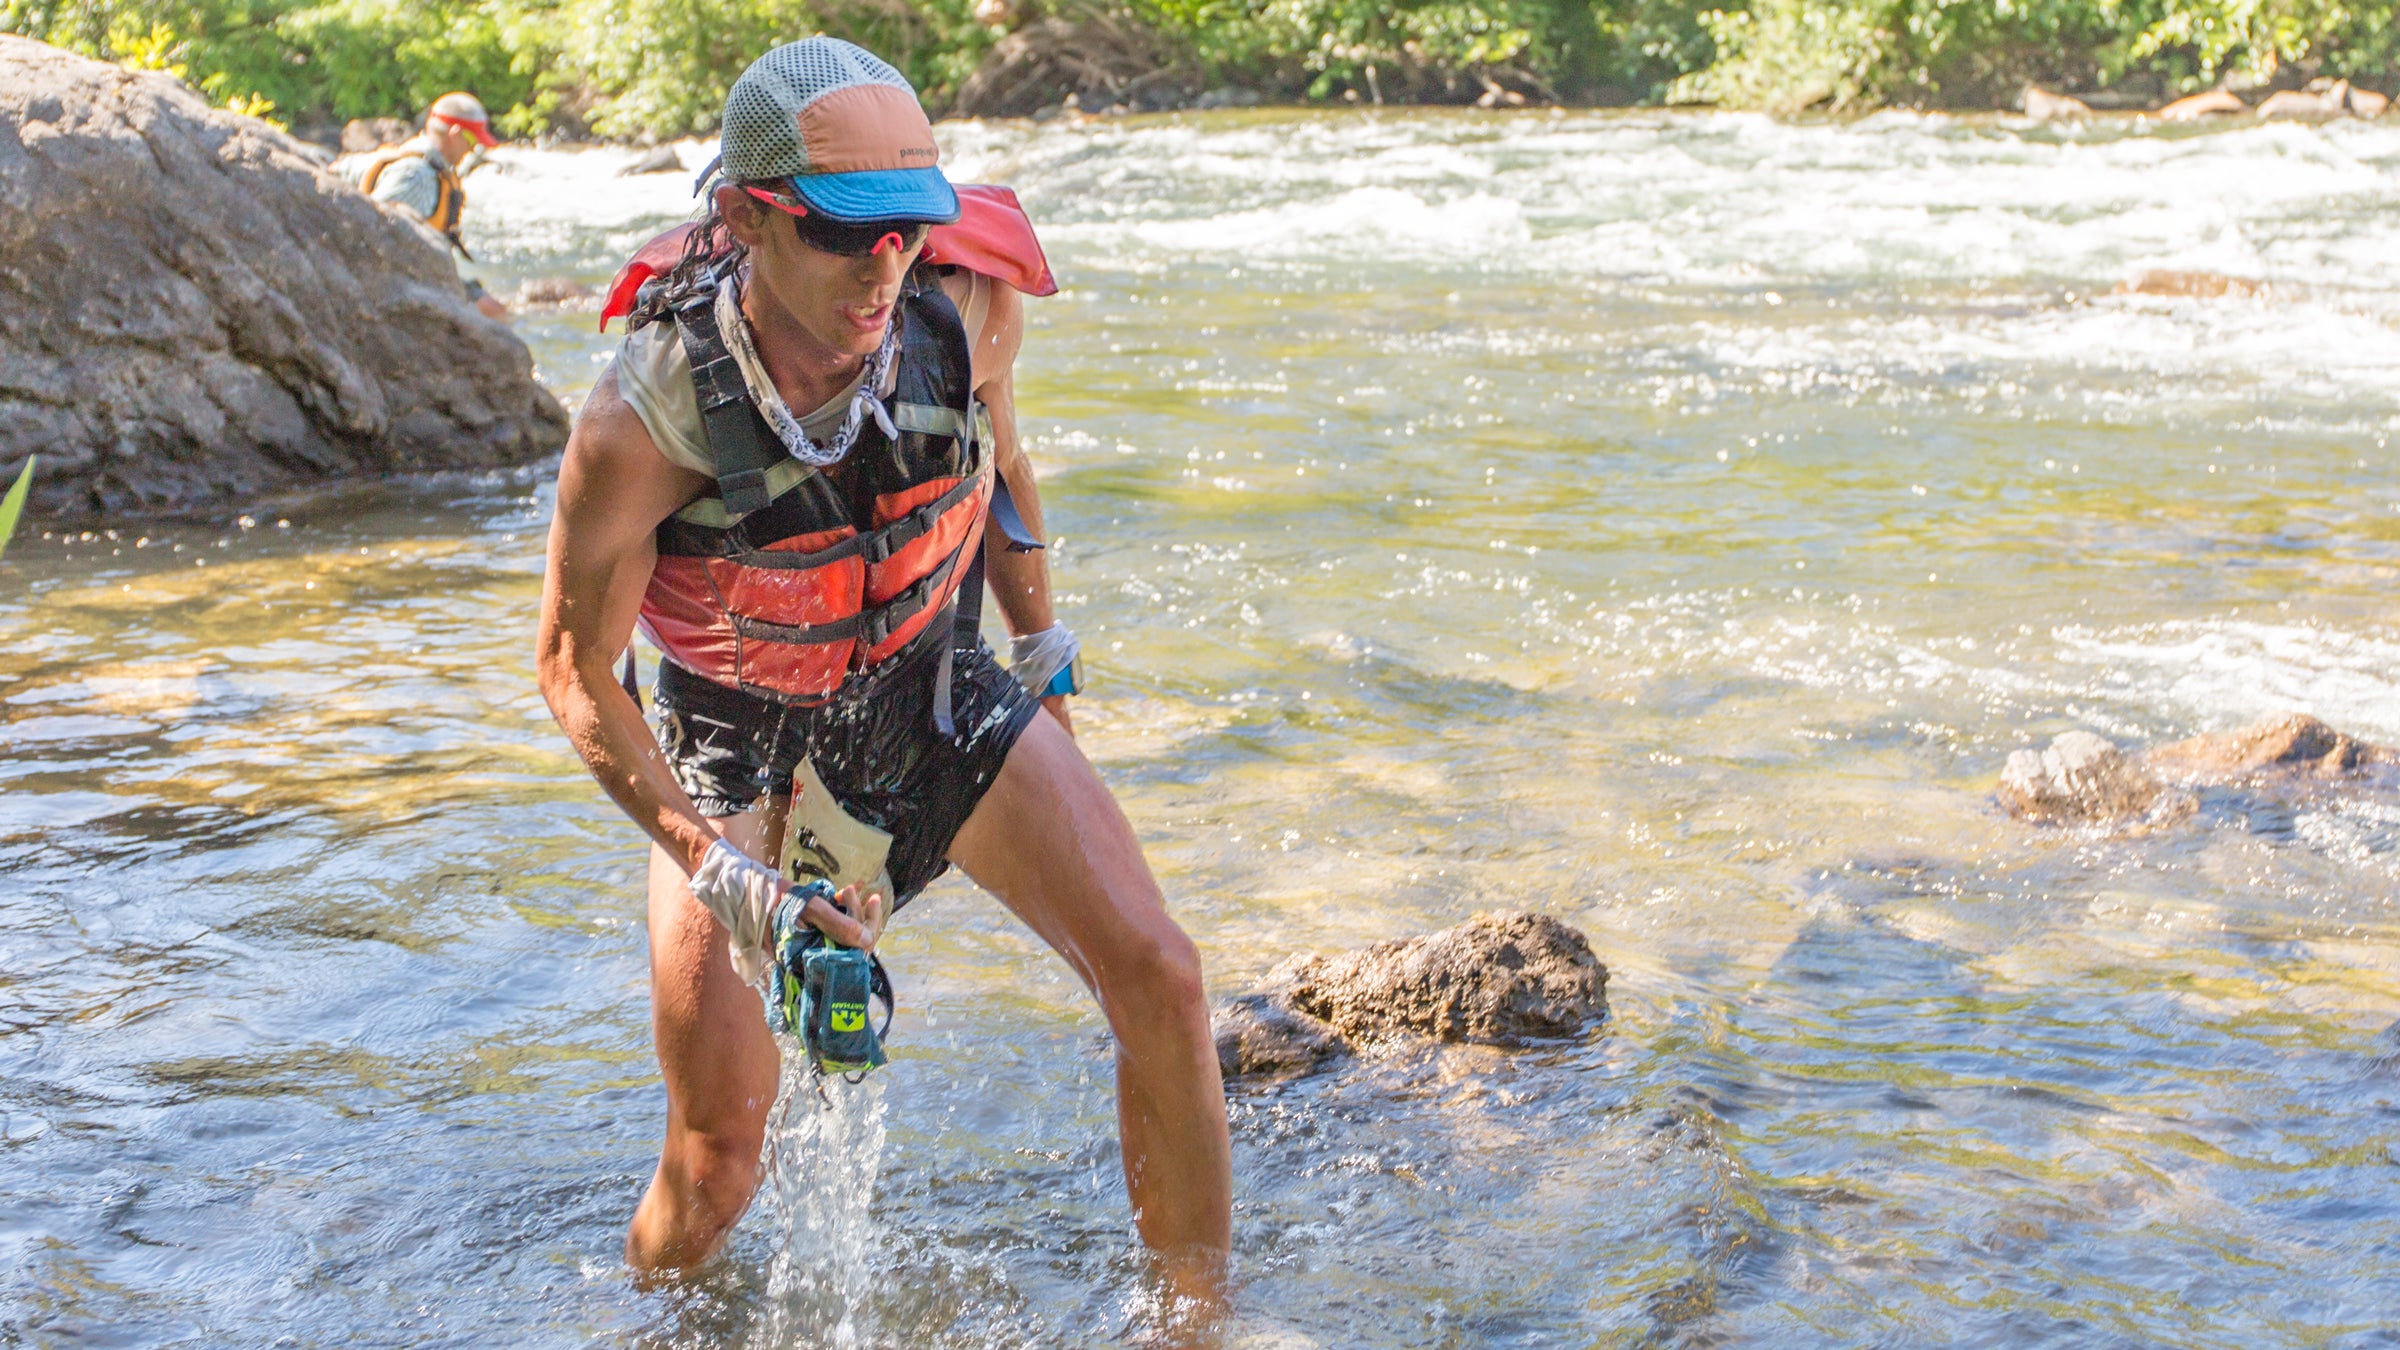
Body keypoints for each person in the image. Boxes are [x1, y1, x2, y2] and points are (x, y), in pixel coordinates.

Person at [533, 36, 1232, 1311]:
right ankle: (653, 1327)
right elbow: (576, 678)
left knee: (1161, 980)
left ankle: (1198, 1330)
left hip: (933, 691)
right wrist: (722, 872)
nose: (885, 266)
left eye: (908, 230)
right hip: (733, 747)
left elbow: (1005, 477)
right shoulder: (638, 425)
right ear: (748, 216)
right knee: (718, 1161)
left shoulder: (963, 311)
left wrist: (1045, 664)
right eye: (845, 236)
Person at [342, 91, 510, 321]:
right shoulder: (418, 175)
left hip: (412, 279)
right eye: (472, 142)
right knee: (497, 314)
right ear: (455, 133)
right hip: (387, 288)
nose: (472, 151)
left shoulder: (422, 163)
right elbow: (377, 234)